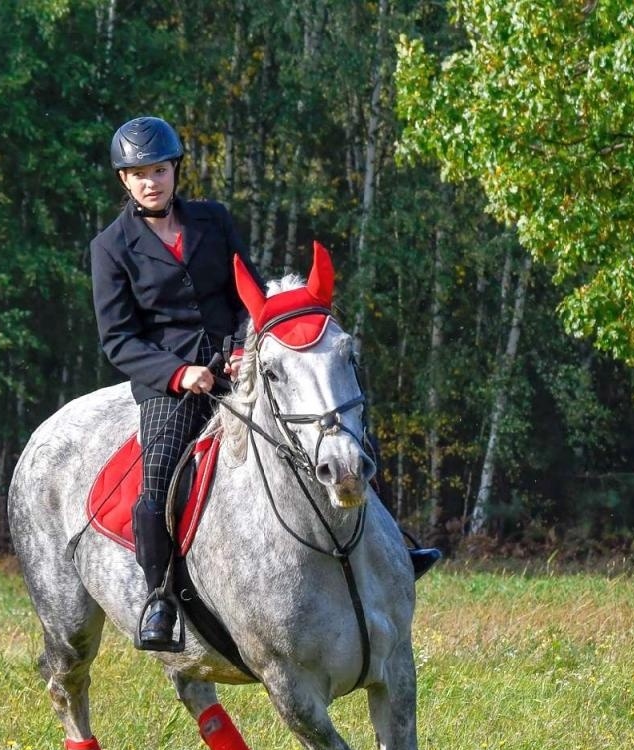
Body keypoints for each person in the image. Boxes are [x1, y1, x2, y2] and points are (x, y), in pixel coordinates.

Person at [90, 116, 441, 652]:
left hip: (239, 365)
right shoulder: (110, 248)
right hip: (171, 387)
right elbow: (120, 340)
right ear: (124, 181)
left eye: (158, 170)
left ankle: (396, 550)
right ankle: (158, 597)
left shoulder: (213, 220)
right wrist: (179, 373)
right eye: (138, 174)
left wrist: (239, 347)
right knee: (157, 480)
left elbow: (244, 293)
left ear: (174, 169)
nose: (150, 182)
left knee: (336, 426)